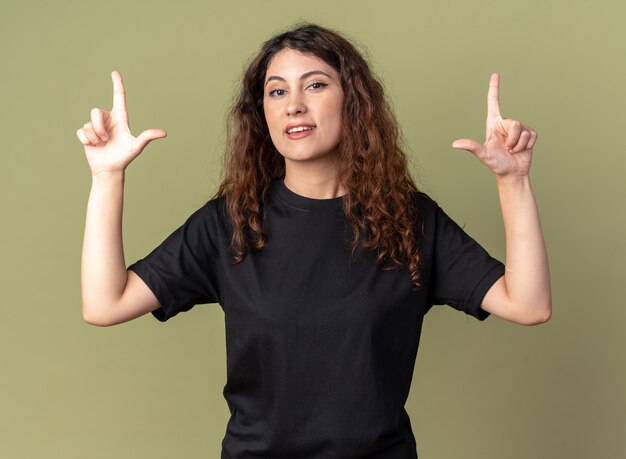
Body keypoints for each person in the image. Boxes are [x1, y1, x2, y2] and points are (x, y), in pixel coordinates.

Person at [77, 24, 551, 459]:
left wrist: (514, 182)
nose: (293, 104)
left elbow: (528, 304)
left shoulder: (409, 220)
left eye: (316, 84)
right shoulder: (231, 222)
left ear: (354, 100)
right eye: (276, 91)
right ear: (261, 112)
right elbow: (105, 304)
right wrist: (106, 176)